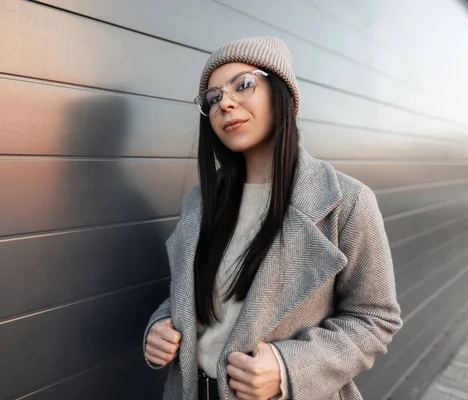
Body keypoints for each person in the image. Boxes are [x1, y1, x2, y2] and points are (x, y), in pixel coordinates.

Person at [142, 36, 403, 400]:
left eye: (243, 84)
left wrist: (286, 368)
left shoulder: (346, 201)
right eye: (213, 98)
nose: (225, 103)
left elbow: (376, 318)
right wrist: (160, 326)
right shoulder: (201, 202)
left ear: (282, 93)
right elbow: (200, 298)